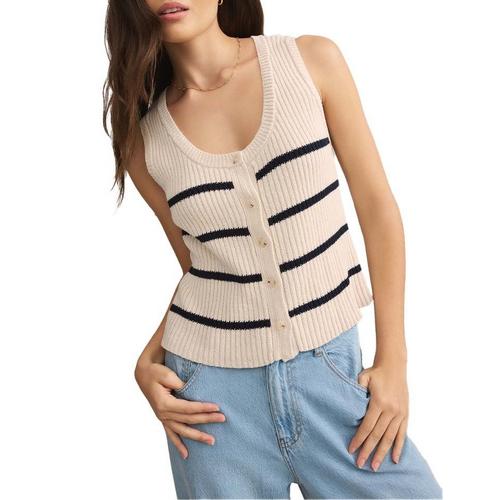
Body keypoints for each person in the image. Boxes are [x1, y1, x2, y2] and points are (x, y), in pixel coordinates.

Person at [103, 0, 443, 498]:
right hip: (211, 405)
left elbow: (377, 209)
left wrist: (394, 360)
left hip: (332, 375)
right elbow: (202, 267)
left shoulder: (310, 62)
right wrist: (148, 358)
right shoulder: (145, 139)